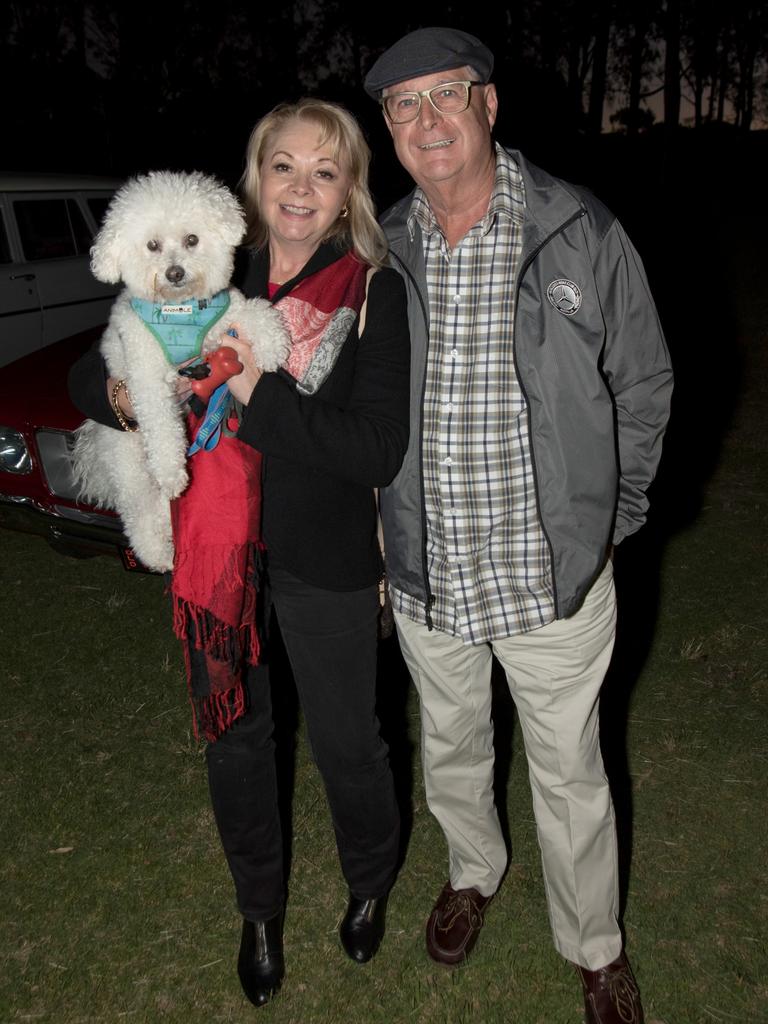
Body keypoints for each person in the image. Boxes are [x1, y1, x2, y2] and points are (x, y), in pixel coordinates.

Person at [68, 99, 410, 1008]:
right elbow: (96, 357)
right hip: (218, 554)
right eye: (283, 165)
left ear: (347, 194)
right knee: (235, 742)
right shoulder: (211, 260)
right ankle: (259, 910)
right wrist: (120, 395)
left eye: (324, 171)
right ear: (255, 180)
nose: (301, 186)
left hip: (325, 553)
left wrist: (255, 389)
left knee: (350, 742)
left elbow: (377, 447)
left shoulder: (372, 288)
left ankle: (369, 882)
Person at [363, 27, 672, 1024]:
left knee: (570, 766)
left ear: (489, 104)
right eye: (402, 107)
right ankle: (472, 870)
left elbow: (643, 385)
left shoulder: (579, 228)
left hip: (552, 572)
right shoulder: (382, 244)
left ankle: (594, 944)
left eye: (444, 95)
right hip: (429, 567)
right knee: (450, 742)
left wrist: (610, 521)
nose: (426, 120)